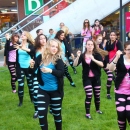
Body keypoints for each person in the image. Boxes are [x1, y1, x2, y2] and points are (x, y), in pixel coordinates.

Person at [30, 39, 64, 130]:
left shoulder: (58, 59)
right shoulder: (40, 57)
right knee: (41, 113)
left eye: (56, 47)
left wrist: (50, 71)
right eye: (53, 46)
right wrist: (31, 66)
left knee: (56, 114)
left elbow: (61, 73)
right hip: (43, 90)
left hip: (56, 91)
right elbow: (32, 72)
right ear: (48, 47)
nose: (54, 49)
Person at [73, 39, 103, 119]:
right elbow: (75, 64)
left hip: (96, 78)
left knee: (97, 95)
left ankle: (97, 109)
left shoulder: (97, 54)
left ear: (94, 46)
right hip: (87, 78)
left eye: (91, 44)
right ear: (85, 46)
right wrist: (78, 56)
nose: (90, 46)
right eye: (88, 44)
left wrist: (93, 59)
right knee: (89, 94)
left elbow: (102, 64)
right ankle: (87, 114)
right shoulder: (83, 55)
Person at [109, 41, 130, 130]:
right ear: (124, 50)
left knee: (129, 114)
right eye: (129, 49)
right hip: (120, 91)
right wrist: (117, 56)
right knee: (121, 114)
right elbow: (110, 68)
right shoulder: (120, 58)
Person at [14, 31, 35, 106]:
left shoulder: (30, 45)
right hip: (20, 67)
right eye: (22, 34)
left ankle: (32, 99)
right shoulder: (18, 45)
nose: (22, 36)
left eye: (24, 35)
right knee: (21, 84)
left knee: (30, 84)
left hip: (28, 67)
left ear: (27, 37)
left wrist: (24, 48)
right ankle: (20, 102)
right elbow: (17, 57)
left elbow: (33, 53)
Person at [33, 34, 47, 118]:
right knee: (35, 92)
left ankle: (51, 107)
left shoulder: (50, 49)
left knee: (49, 91)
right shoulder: (35, 50)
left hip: (48, 73)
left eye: (44, 38)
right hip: (37, 73)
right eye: (41, 39)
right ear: (38, 40)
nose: (43, 40)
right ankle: (36, 111)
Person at [105, 31, 123, 99]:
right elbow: (106, 53)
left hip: (117, 62)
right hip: (109, 62)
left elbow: (121, 51)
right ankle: (108, 94)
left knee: (118, 77)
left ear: (116, 36)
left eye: (113, 35)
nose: (112, 36)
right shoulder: (108, 42)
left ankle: (118, 90)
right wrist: (107, 63)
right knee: (110, 77)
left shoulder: (118, 42)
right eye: (111, 35)